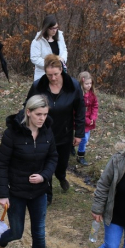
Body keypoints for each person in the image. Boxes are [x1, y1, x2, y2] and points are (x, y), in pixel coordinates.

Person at [0, 95, 58, 248]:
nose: (42, 118)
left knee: (39, 233)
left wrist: (44, 176)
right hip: (17, 192)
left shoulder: (47, 132)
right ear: (28, 112)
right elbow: (1, 165)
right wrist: (3, 195)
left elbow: (53, 157)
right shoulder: (12, 133)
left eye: (45, 114)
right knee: (16, 232)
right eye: (38, 114)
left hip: (39, 192)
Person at [25, 54, 85, 203]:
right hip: (43, 133)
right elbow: (28, 106)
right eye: (49, 75)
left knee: (61, 164)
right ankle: (47, 195)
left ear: (62, 70)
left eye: (56, 74)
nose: (53, 78)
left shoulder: (73, 86)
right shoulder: (38, 86)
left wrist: (79, 133)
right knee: (45, 165)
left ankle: (61, 176)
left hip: (64, 133)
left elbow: (80, 110)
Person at [30, 14, 68, 81]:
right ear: (46, 28)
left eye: (56, 28)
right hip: (43, 74)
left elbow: (64, 50)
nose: (54, 30)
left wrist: (62, 59)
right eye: (52, 28)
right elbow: (34, 58)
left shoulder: (60, 36)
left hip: (58, 73)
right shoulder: (37, 41)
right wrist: (50, 64)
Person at [76, 71, 98, 166]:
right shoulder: (78, 95)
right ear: (82, 83)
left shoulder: (92, 94)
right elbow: (77, 111)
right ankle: (80, 155)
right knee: (82, 138)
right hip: (79, 120)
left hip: (89, 121)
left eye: (90, 83)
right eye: (86, 84)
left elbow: (95, 106)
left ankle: (79, 152)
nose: (89, 85)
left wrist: (93, 117)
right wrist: (86, 119)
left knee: (85, 138)